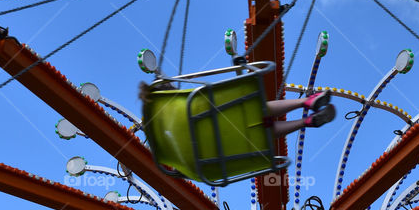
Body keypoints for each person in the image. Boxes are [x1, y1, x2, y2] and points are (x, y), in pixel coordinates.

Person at [138, 81, 335, 135]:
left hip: (220, 155)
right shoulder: (187, 105)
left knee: (265, 134)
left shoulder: (167, 136)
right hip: (234, 121)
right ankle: (305, 103)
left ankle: (305, 121)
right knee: (259, 110)